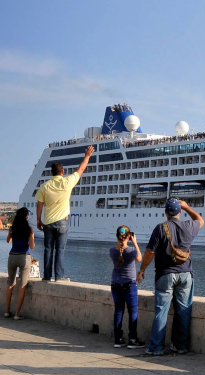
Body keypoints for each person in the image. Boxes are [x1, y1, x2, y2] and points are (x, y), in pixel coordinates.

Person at [137, 198, 204, 356]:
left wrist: (142, 269)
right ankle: (180, 346)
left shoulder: (161, 228)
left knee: (161, 312)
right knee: (183, 311)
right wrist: (187, 206)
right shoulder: (189, 226)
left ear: (165, 212)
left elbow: (150, 252)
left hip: (165, 274)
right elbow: (200, 220)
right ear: (180, 212)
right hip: (186, 274)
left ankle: (156, 348)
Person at [36, 145, 95, 282]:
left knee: (48, 249)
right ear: (62, 172)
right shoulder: (67, 182)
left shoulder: (44, 186)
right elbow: (81, 169)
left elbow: (39, 204)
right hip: (62, 221)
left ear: (51, 173)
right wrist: (87, 156)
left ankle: (46, 276)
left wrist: (39, 220)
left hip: (48, 222)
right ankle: (59, 277)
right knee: (60, 250)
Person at [109, 225, 145, 349]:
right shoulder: (131, 251)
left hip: (115, 284)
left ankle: (118, 339)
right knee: (133, 311)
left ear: (116, 236)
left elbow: (119, 253)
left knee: (119, 310)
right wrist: (135, 242)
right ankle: (133, 339)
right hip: (129, 284)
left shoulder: (112, 251)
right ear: (129, 236)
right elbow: (140, 258)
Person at [5, 208, 36, 320]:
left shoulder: (12, 228)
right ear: (26, 217)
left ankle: (7, 311)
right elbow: (32, 246)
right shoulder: (29, 229)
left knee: (10, 283)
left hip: (12, 256)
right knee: (22, 285)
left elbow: (8, 241)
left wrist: (11, 233)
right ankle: (17, 314)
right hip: (24, 257)